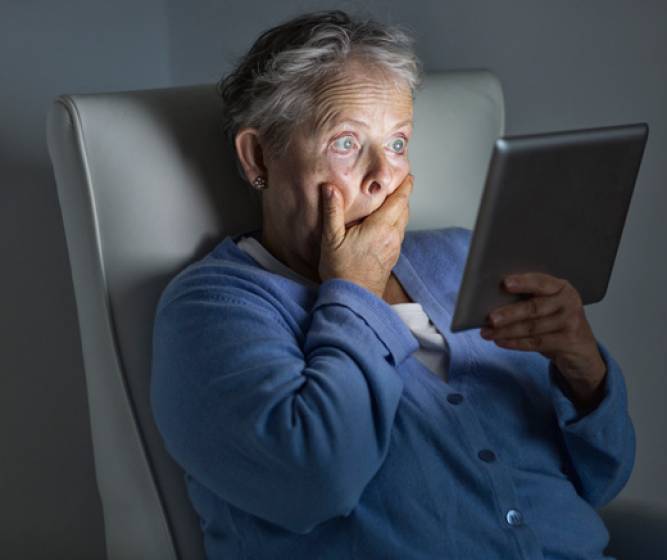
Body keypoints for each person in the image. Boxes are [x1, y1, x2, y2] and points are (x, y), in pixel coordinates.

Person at [150, 9, 636, 560]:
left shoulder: (461, 255)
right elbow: (315, 484)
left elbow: (602, 480)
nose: (384, 173)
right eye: (346, 143)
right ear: (258, 155)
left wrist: (582, 372)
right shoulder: (210, 310)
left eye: (399, 142)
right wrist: (354, 290)